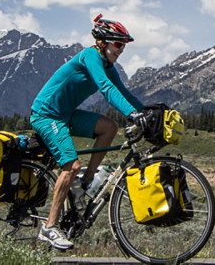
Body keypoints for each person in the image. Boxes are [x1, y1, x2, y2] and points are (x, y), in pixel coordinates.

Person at [30, 14, 146, 250]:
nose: (122, 50)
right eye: (119, 44)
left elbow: (123, 92)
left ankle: (87, 180)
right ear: (104, 42)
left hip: (66, 113)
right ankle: (50, 227)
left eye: (123, 45)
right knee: (70, 166)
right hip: (47, 114)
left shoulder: (108, 64)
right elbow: (106, 88)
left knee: (109, 128)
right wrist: (132, 115)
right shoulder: (90, 56)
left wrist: (149, 112)